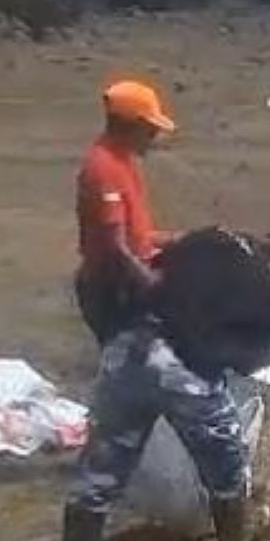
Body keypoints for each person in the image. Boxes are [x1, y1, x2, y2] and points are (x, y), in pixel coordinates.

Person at [61, 206, 270, 541]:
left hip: (132, 348)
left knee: (103, 464)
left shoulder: (214, 237)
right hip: (189, 374)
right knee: (226, 471)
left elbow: (146, 273)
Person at [75, 80, 179, 346]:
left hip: (125, 280)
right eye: (151, 129)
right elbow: (115, 247)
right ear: (131, 126)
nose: (154, 137)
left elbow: (134, 235)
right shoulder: (104, 169)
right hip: (114, 288)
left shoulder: (122, 161)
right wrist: (152, 284)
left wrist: (174, 239)